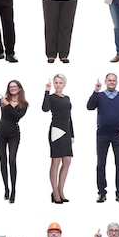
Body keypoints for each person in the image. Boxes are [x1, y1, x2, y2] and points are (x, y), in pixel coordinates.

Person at [86, 73, 119, 204]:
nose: (112, 82)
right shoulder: (100, 96)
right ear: (105, 82)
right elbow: (89, 107)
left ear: (116, 82)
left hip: (118, 135)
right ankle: (101, 193)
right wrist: (95, 91)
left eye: (114, 80)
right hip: (102, 134)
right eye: (109, 80)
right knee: (101, 164)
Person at [0, 75, 28, 203]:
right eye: (10, 87)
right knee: (3, 160)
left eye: (15, 86)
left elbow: (17, 117)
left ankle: (14, 190)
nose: (12, 88)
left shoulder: (24, 104)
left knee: (12, 160)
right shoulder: (3, 100)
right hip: (0, 133)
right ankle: (6, 189)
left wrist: (7, 105)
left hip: (14, 133)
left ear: (19, 89)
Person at [42, 74, 73, 204]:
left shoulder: (67, 98)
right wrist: (46, 91)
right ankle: (55, 192)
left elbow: (69, 117)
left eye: (60, 82)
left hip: (66, 131)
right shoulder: (51, 97)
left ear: (64, 84)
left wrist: (72, 134)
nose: (58, 84)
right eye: (56, 82)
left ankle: (61, 190)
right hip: (56, 131)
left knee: (67, 161)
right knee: (56, 162)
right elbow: (45, 109)